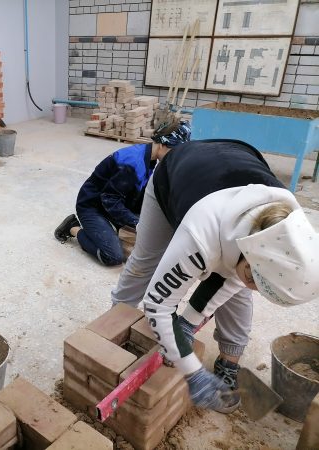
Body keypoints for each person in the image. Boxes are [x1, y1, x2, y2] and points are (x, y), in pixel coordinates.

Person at [110, 138, 319, 413]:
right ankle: (113, 324)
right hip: (178, 173)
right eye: (254, 279)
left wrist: (187, 323)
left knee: (239, 291)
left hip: (238, 160)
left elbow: (232, 281)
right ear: (248, 252)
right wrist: (192, 372)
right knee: (145, 260)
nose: (254, 287)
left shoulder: (288, 231)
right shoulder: (201, 234)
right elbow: (157, 305)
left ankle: (229, 361)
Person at [54, 120, 192, 266]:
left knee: (153, 228)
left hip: (117, 201)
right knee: (113, 256)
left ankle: (111, 230)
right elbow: (110, 200)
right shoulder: (132, 163)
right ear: (163, 144)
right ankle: (72, 228)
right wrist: (138, 223)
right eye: (173, 152)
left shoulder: (150, 158)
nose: (175, 158)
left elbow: (140, 192)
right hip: (93, 206)